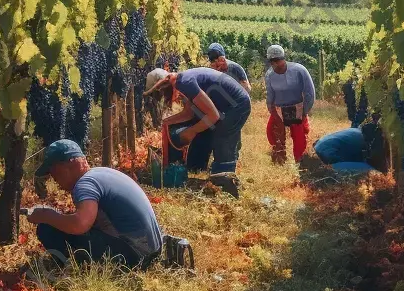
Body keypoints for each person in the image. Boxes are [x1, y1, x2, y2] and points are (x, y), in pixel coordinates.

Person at [24, 139, 163, 269]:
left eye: (52, 170)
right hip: (152, 250)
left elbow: (80, 224)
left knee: (47, 229)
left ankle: (68, 266)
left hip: (134, 256)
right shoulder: (101, 173)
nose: (53, 178)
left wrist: (47, 216)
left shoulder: (85, 185)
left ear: (67, 165)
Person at [144, 64, 251, 196]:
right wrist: (167, 122)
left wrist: (192, 131)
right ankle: (221, 185)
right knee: (219, 136)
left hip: (238, 104)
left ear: (165, 82)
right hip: (230, 104)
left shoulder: (185, 82)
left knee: (222, 140)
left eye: (160, 89)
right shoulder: (183, 81)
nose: (161, 93)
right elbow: (189, 113)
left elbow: (213, 115)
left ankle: (226, 190)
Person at [264, 44, 315, 164]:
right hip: (279, 109)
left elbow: (309, 92)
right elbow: (270, 95)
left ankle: (300, 162)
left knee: (299, 137)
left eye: (278, 61)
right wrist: (272, 111)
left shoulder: (299, 70)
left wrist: (304, 112)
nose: (276, 64)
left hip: (296, 108)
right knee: (272, 133)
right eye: (272, 62)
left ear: (283, 59)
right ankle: (279, 159)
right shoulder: (269, 75)